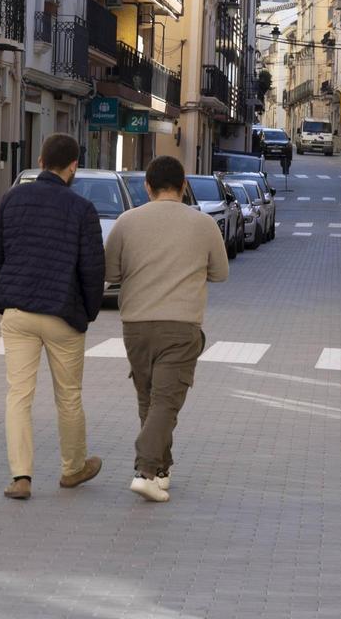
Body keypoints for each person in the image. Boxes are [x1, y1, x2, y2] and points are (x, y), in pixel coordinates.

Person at [0, 133, 106, 500]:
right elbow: (92, 270)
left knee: (18, 394)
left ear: (39, 161)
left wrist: (0, 299)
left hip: (18, 312)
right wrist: (88, 311)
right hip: (63, 314)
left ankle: (21, 477)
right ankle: (72, 469)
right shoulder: (82, 210)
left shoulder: (11, 199)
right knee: (68, 396)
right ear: (72, 168)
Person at [104, 155, 229, 502]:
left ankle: (162, 469)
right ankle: (145, 469)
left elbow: (110, 273)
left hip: (136, 326)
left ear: (147, 186)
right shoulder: (203, 224)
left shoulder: (126, 222)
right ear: (184, 185)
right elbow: (221, 273)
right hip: (180, 325)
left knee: (151, 399)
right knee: (165, 402)